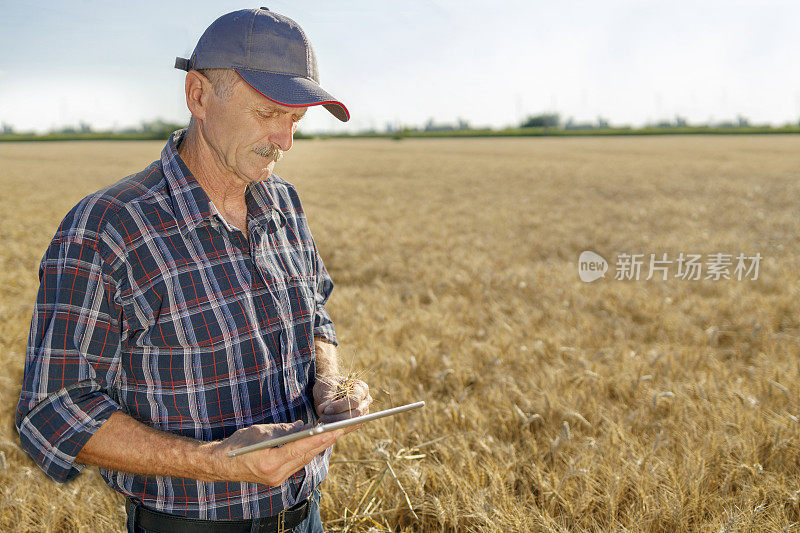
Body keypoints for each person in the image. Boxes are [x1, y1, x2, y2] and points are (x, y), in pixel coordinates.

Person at [15, 8, 372, 533]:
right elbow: (53, 410)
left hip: (305, 516)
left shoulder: (284, 205)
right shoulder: (110, 227)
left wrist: (330, 384)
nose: (286, 141)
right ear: (198, 95)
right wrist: (217, 460)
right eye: (268, 113)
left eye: (295, 120)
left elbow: (315, 314)